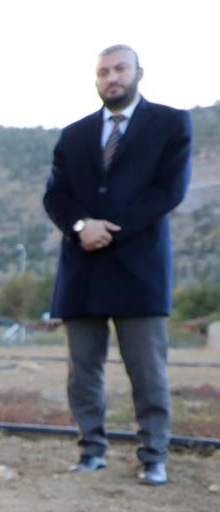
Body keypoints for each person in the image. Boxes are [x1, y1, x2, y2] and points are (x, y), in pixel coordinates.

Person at [44, 44, 192, 486]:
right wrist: (80, 226)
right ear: (96, 79)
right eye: (104, 71)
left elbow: (169, 192)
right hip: (82, 267)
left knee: (147, 370)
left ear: (138, 72)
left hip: (139, 267)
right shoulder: (73, 135)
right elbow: (56, 195)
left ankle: (154, 456)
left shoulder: (170, 124)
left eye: (120, 69)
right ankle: (91, 450)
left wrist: (109, 228)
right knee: (82, 371)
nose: (112, 78)